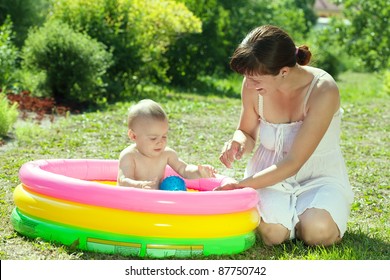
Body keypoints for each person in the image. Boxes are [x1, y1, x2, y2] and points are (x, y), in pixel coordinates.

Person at [216, 25, 354, 247]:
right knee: (272, 234)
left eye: (256, 81)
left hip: (317, 176)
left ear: (284, 71)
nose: (249, 85)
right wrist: (239, 141)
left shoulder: (323, 89)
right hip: (267, 173)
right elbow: (247, 131)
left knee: (317, 232)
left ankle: (304, 216)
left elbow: (293, 162)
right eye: (246, 78)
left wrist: (241, 186)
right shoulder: (253, 81)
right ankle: (287, 220)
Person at [117, 99, 216, 189]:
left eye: (164, 136)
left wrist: (198, 172)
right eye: (153, 138)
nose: (160, 142)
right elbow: (123, 181)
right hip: (133, 201)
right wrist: (140, 185)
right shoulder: (129, 156)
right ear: (133, 136)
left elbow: (184, 169)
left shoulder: (166, 154)